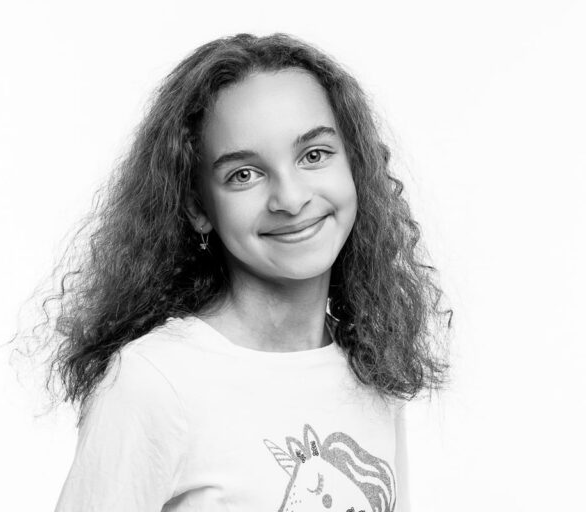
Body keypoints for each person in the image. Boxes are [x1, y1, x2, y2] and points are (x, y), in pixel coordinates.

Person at [37, 32, 451, 511]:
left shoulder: (371, 372)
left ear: (354, 166)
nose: (291, 199)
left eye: (313, 155)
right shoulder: (156, 381)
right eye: (244, 175)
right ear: (198, 207)